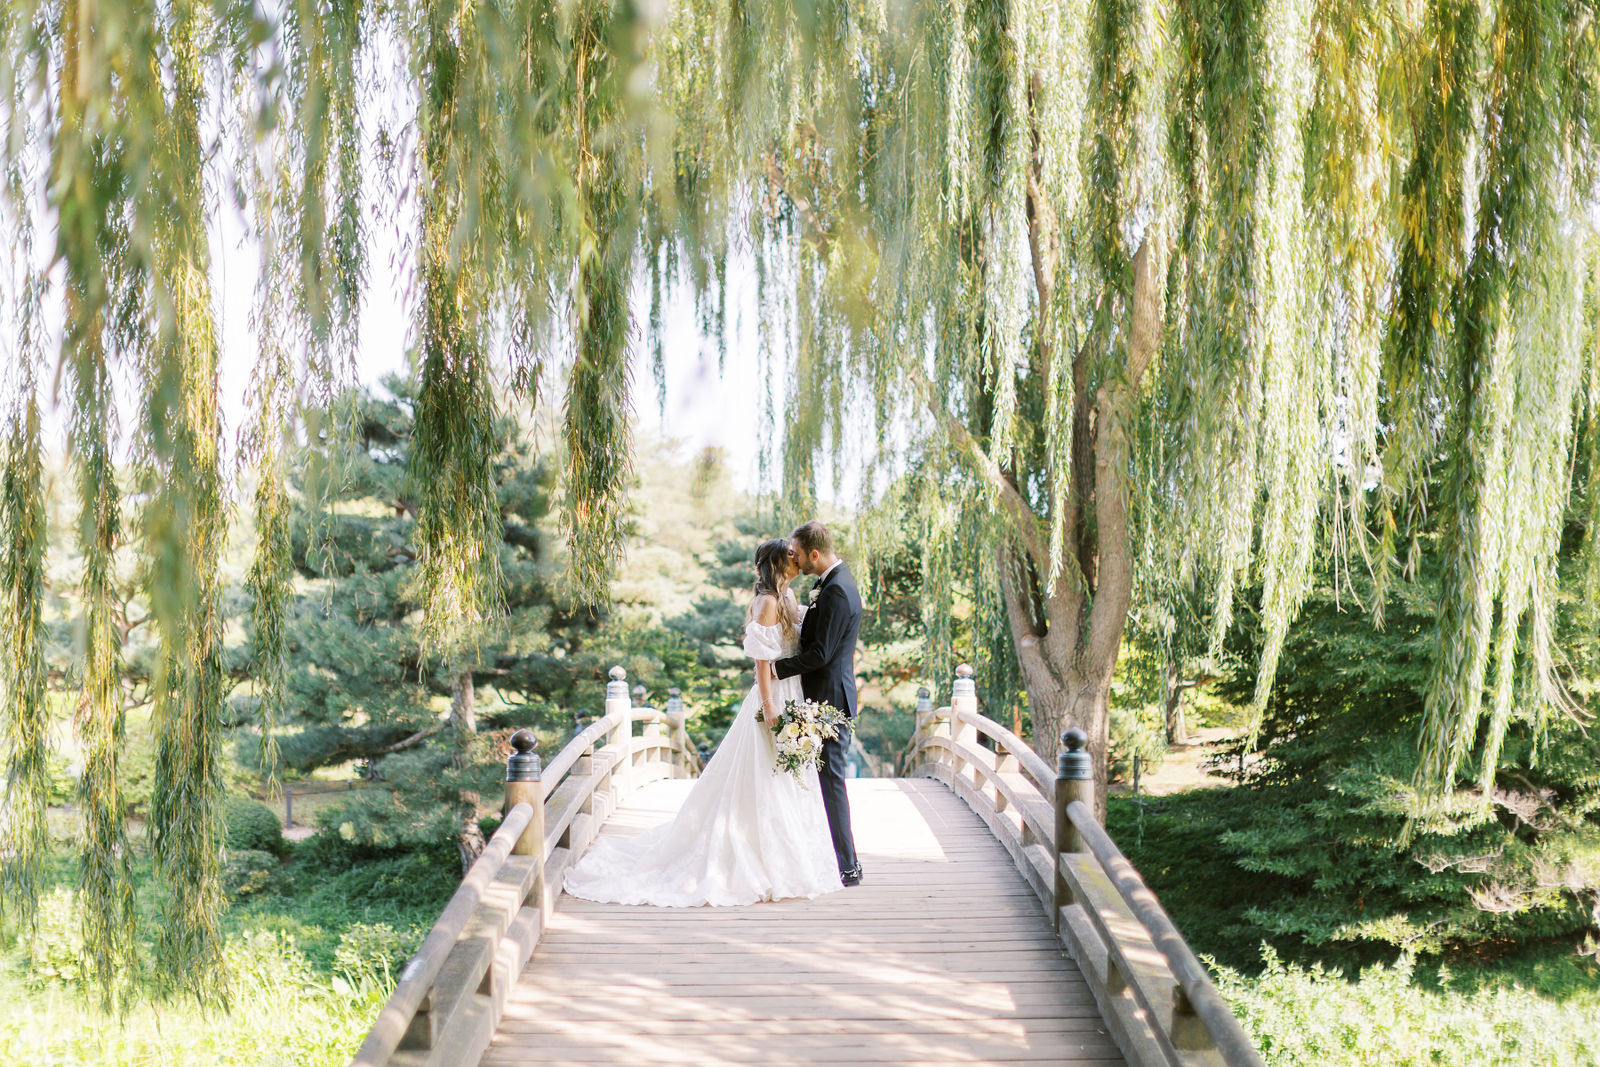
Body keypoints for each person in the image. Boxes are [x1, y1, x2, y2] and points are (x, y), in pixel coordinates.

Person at [562, 539, 842, 906]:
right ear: (778, 563)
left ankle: (787, 858)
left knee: (787, 777)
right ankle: (755, 859)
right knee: (765, 772)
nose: (797, 559)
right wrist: (770, 705)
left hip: (793, 691)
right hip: (773, 695)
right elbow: (761, 663)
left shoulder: (788, 597)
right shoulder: (768, 602)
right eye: (790, 556)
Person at [774, 520, 864, 886]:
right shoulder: (830, 585)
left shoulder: (838, 591)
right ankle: (825, 859)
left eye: (797, 554)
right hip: (820, 699)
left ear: (814, 553)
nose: (793, 559)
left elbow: (822, 654)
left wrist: (776, 668)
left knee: (831, 782)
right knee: (818, 780)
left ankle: (849, 867)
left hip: (830, 703)